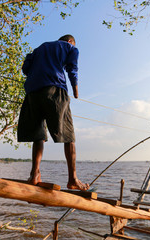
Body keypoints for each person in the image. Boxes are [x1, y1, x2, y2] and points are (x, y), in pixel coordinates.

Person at [17, 34, 89, 191]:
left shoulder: (39, 48)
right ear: (70, 41)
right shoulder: (70, 47)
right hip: (55, 88)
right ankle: (73, 179)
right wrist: (75, 90)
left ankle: (34, 174)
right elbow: (72, 68)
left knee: (38, 135)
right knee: (68, 135)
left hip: (32, 92)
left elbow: (25, 69)